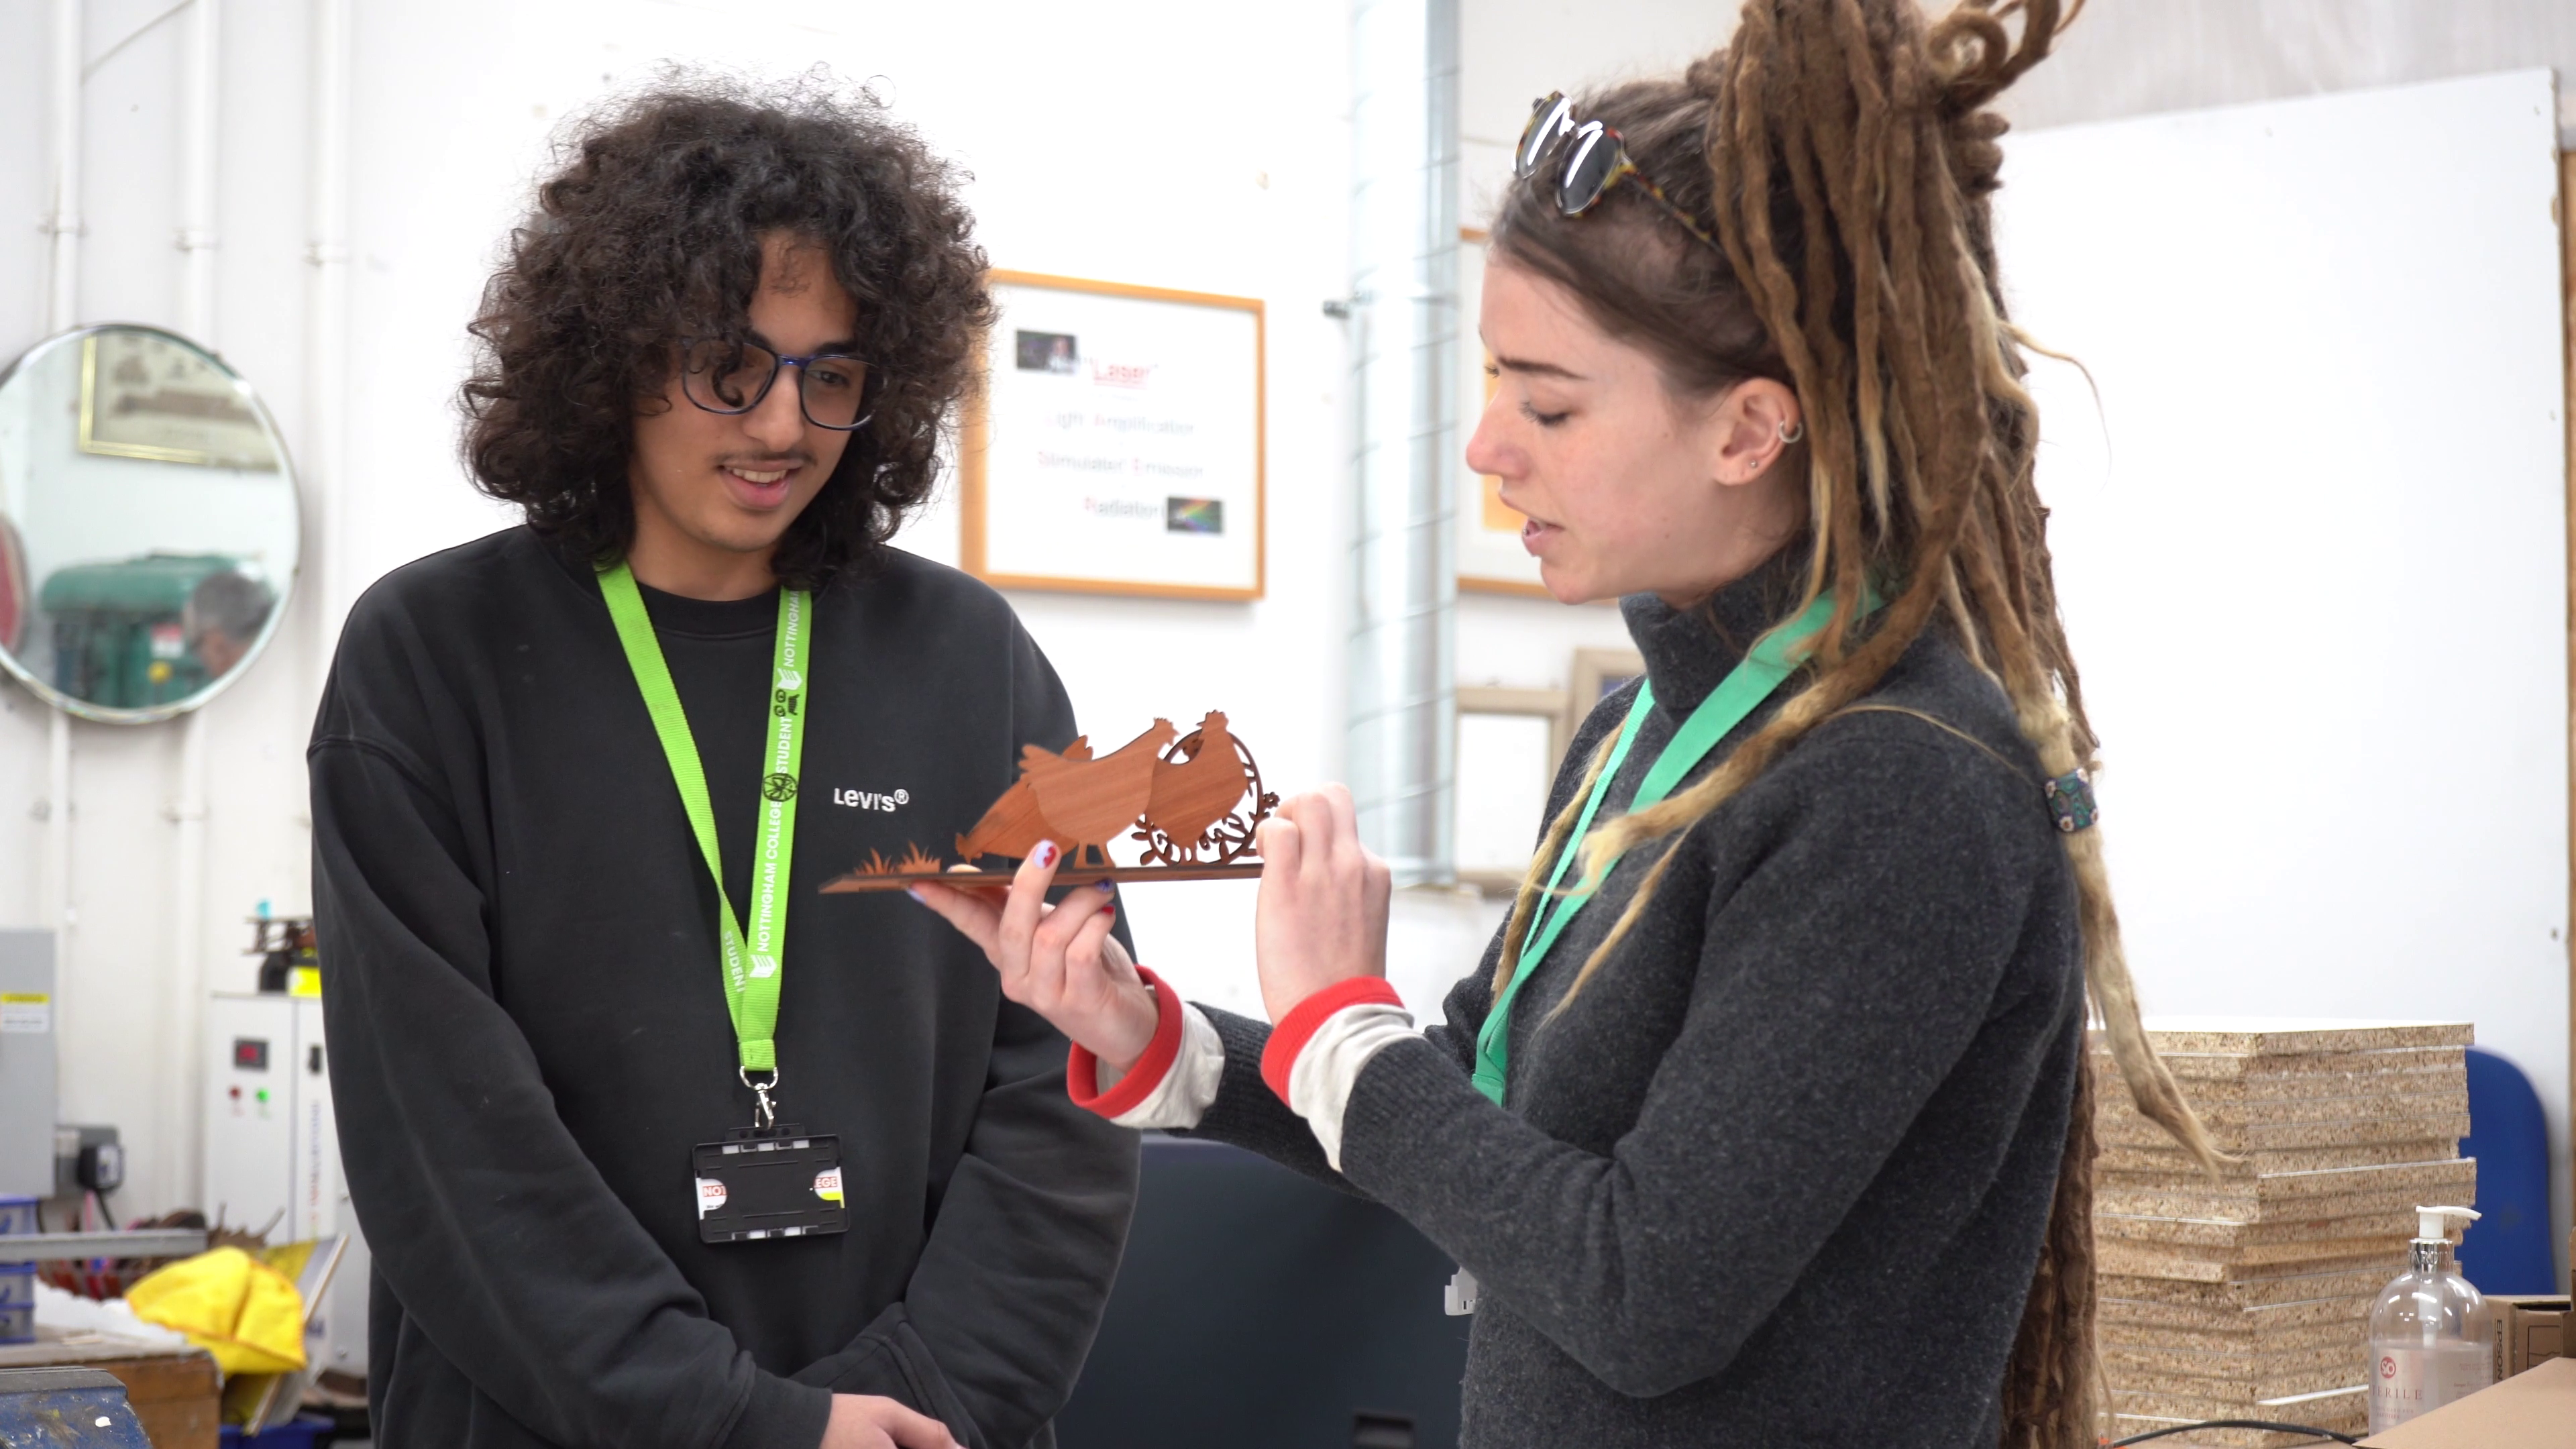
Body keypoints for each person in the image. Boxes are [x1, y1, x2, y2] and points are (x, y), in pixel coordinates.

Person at [912, 3, 2223, 1446]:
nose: (1485, 447)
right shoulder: (1640, 731)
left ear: (1747, 429)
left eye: (1547, 403)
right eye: (1492, 384)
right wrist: (1162, 1037)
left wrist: (1344, 1019)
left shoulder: (1902, 783)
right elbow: (1463, 1127)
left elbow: (1642, 1292)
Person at [311, 79, 1136, 1449]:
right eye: (728, 363)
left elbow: (1075, 1074)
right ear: (614, 358)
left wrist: (912, 1407)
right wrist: (740, 1423)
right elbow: (446, 1144)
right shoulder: (432, 659)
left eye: (832, 373)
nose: (780, 424)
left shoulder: (972, 660)